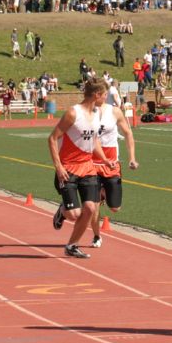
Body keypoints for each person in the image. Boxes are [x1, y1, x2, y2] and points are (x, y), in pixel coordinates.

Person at [48, 77, 116, 259]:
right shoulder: (73, 113)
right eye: (105, 95)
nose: (106, 98)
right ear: (96, 95)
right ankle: (63, 210)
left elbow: (93, 140)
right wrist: (58, 166)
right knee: (73, 214)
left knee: (91, 209)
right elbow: (53, 139)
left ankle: (71, 245)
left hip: (88, 168)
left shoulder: (97, 114)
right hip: (68, 168)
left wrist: (105, 159)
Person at [90, 99, 138, 249]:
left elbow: (128, 133)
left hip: (111, 165)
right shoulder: (86, 111)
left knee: (115, 208)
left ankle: (104, 193)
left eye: (103, 94)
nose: (101, 97)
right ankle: (97, 236)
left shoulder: (115, 112)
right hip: (91, 164)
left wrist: (132, 158)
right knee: (93, 207)